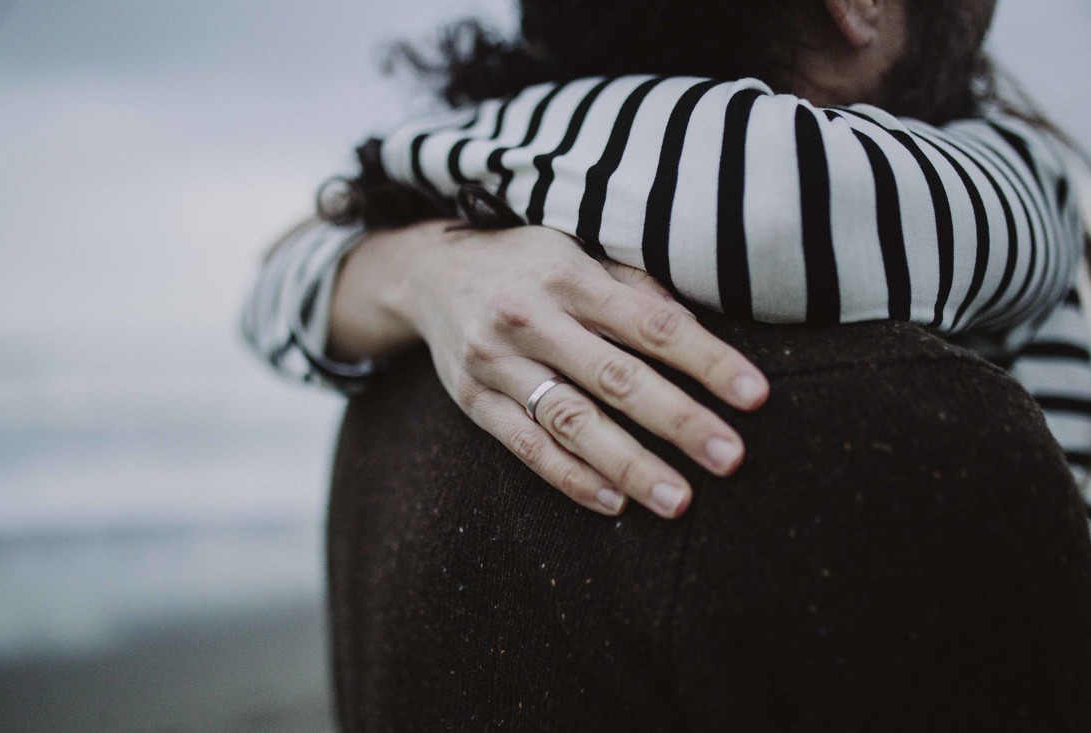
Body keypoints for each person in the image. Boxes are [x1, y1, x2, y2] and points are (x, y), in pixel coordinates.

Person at [242, 0, 1091, 729]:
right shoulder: (912, 429)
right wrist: (426, 267)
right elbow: (770, 202)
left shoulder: (414, 333)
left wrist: (418, 251)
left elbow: (773, 197)